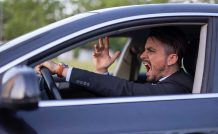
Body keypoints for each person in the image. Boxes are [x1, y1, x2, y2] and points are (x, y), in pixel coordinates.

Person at [35, 27, 193, 96]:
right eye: (144, 49)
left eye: (151, 51)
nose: (142, 56)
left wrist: (62, 70)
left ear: (172, 58)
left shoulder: (178, 87)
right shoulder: (169, 81)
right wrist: (102, 71)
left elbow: (126, 90)